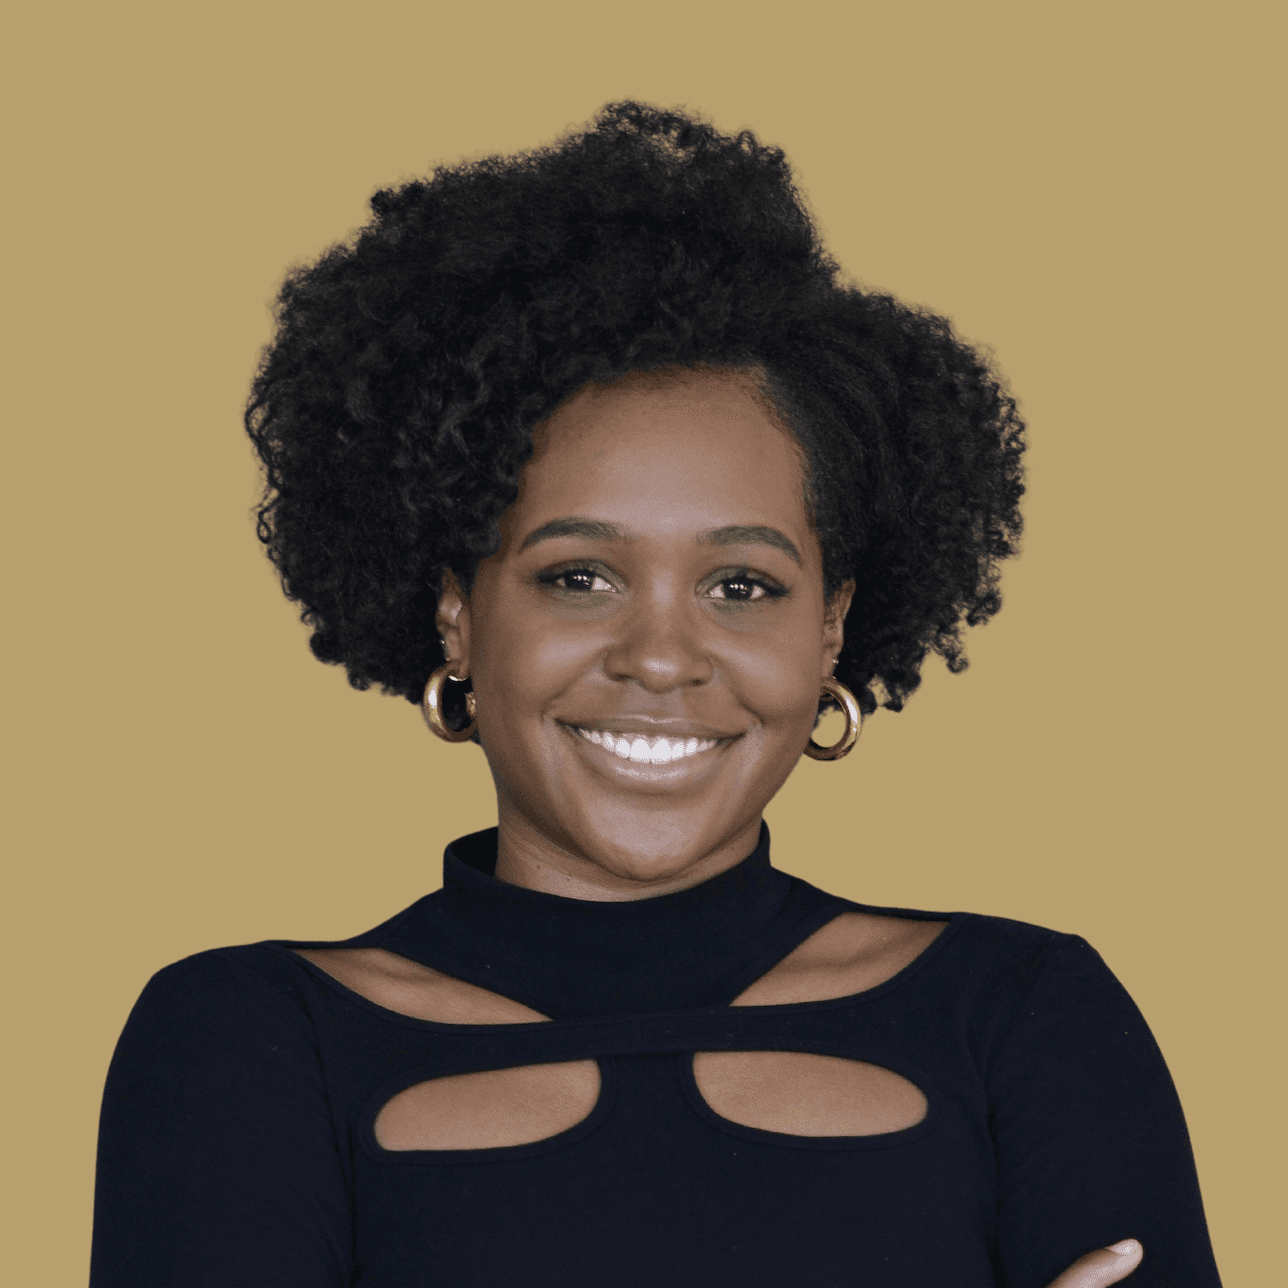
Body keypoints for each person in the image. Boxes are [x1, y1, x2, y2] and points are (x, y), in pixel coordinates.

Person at [89, 103, 1221, 1287]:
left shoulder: (1024, 1015)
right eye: (579, 577)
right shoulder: (247, 1036)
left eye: (742, 585)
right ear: (457, 613)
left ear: (830, 628)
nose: (663, 657)